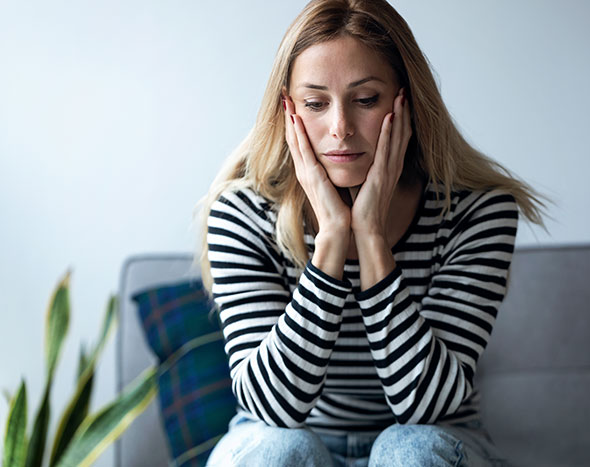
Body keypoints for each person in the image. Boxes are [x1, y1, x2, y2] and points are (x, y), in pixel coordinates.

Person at [198, 0, 545, 465]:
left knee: (412, 451)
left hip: (437, 438)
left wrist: (372, 240)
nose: (340, 129)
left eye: (365, 100)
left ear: (405, 101)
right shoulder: (243, 211)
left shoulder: (478, 212)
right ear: (289, 111)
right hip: (288, 439)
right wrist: (332, 243)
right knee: (276, 452)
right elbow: (274, 408)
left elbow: (426, 406)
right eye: (316, 103)